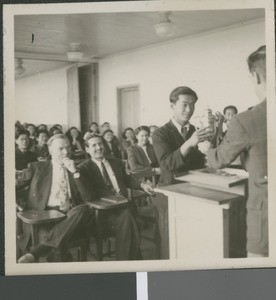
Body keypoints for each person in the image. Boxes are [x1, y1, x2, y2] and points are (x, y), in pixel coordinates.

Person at [207, 45, 268, 257]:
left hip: (267, 217)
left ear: (257, 76)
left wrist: (206, 148)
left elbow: (218, 159)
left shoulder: (247, 120)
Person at [78, 133, 153, 260]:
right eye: (94, 145)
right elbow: (87, 196)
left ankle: (126, 263)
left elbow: (128, 180)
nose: (98, 148)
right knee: (128, 219)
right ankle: (131, 261)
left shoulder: (115, 162)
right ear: (87, 149)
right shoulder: (84, 168)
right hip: (102, 213)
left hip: (123, 206)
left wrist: (142, 185)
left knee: (128, 217)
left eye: (100, 144)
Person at [17, 134, 91, 263]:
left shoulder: (76, 169)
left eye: (68, 148)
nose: (66, 152)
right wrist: (12, 202)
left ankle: (35, 253)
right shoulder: (36, 168)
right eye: (61, 148)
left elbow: (88, 197)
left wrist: (74, 171)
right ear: (50, 150)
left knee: (83, 209)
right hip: (43, 218)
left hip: (69, 216)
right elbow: (11, 186)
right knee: (56, 242)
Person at [152, 86, 212, 186]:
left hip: (195, 186)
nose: (189, 110)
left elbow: (202, 163)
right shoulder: (160, 133)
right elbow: (167, 165)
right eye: (184, 105)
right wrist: (189, 143)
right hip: (171, 188)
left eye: (192, 105)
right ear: (172, 106)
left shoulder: (196, 130)